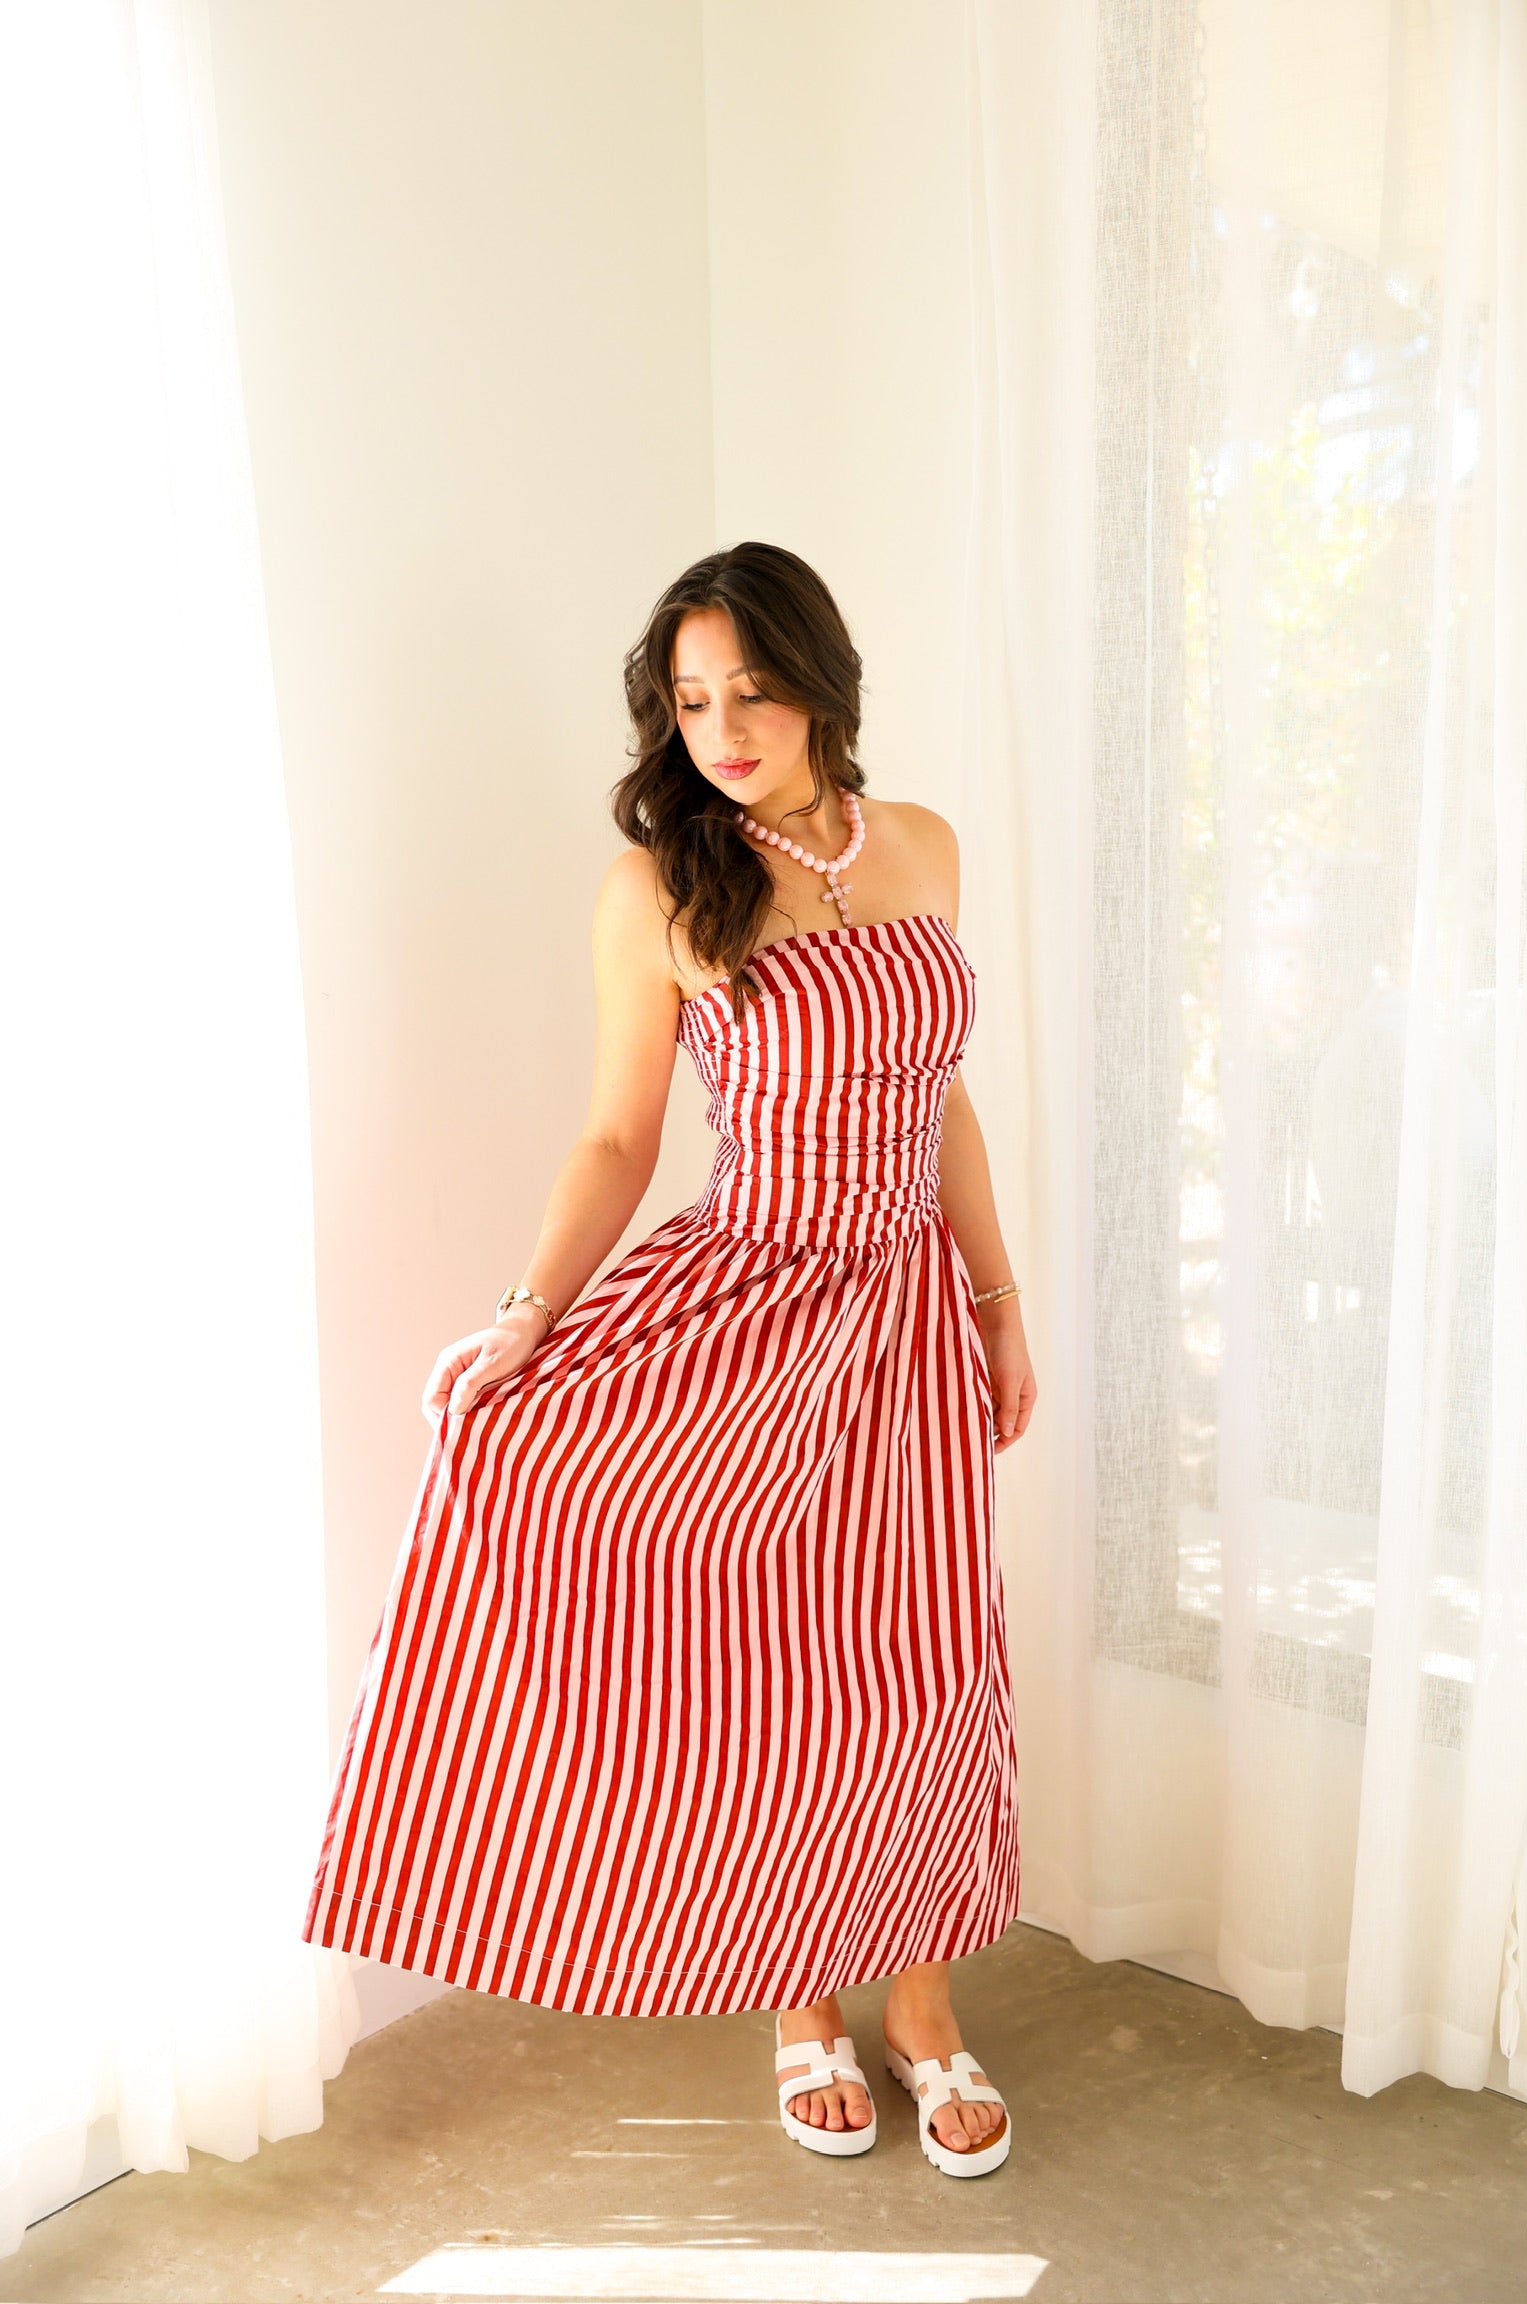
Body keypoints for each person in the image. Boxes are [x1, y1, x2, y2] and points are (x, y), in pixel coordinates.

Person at [303, 541, 1037, 2180]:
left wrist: (998, 1298)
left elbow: (941, 1098)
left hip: (907, 1321)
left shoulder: (923, 845)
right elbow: (618, 1137)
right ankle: (800, 2005)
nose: (724, 730)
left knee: (921, 1674)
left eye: (752, 692)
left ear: (821, 685)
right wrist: (526, 1314)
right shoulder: (658, 889)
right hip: (748, 1305)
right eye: (693, 702)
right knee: (773, 1674)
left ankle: (923, 2009)